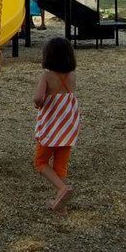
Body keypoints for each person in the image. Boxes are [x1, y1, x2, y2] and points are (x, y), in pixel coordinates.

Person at [33, 38, 80, 215]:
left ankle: (62, 189)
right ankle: (62, 206)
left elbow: (38, 98)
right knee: (61, 165)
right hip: (68, 125)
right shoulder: (72, 76)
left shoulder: (46, 76)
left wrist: (37, 103)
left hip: (52, 126)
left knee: (40, 161)